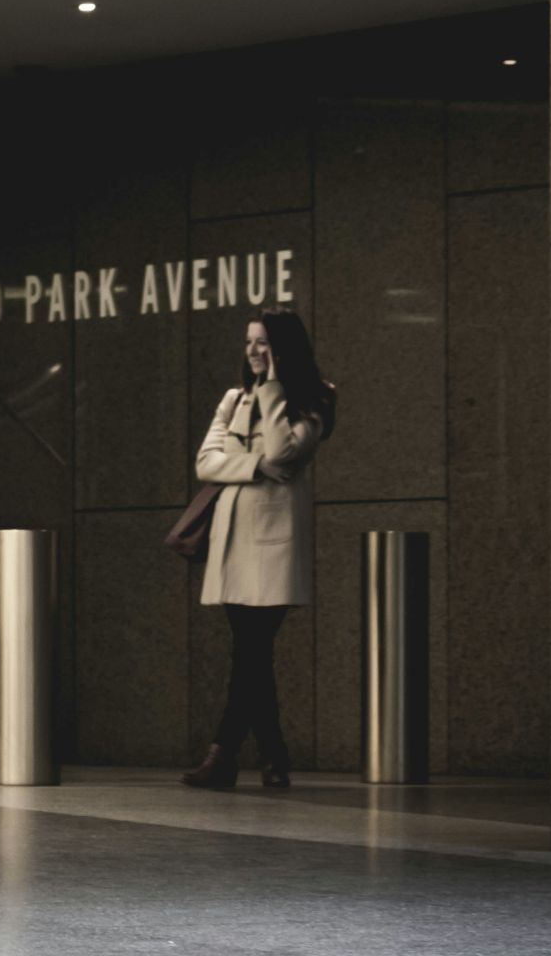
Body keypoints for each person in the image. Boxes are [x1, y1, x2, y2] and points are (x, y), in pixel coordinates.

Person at [181, 305, 334, 791]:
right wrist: (254, 467)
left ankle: (222, 753)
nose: (252, 351)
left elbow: (286, 451)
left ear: (284, 348)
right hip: (232, 542)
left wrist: (271, 389)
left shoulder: (314, 400)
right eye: (249, 342)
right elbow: (206, 463)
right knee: (253, 654)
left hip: (272, 546)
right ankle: (273, 757)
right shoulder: (232, 399)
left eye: (263, 342)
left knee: (251, 650)